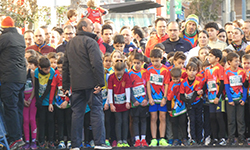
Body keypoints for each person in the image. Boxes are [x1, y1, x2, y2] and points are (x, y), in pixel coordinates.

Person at [62, 18, 111, 150]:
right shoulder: (91, 42)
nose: (93, 27)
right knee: (96, 112)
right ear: (84, 28)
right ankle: (100, 143)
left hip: (76, 85)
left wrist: (65, 86)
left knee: (77, 114)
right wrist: (100, 83)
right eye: (90, 25)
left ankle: (75, 145)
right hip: (91, 85)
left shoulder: (70, 43)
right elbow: (96, 63)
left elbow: (65, 66)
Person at [0, 16, 26, 150]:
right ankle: (19, 136)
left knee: (10, 108)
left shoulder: (3, 38)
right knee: (17, 108)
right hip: (20, 78)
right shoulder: (20, 37)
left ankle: (15, 138)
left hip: (8, 78)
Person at [147, 49, 170, 147]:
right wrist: (150, 97)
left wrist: (164, 98)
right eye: (152, 61)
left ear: (161, 59)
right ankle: (153, 139)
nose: (155, 63)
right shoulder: (149, 70)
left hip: (161, 99)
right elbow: (148, 84)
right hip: (153, 98)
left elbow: (166, 84)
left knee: (162, 117)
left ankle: (162, 138)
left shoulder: (165, 70)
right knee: (153, 118)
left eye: (157, 60)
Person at [204, 49, 227, 146]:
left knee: (219, 117)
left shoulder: (219, 68)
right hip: (210, 96)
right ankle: (214, 137)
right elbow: (206, 82)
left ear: (217, 58)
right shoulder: (207, 69)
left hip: (218, 97)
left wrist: (218, 96)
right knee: (212, 117)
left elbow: (221, 83)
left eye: (211, 56)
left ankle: (222, 137)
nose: (208, 57)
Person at [225, 52, 247, 145]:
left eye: (238, 61)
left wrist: (244, 98)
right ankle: (231, 137)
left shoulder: (242, 71)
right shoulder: (227, 72)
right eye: (235, 61)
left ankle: (241, 137)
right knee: (231, 120)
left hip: (240, 99)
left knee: (240, 119)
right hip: (231, 100)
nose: (238, 63)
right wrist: (230, 99)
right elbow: (226, 86)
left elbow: (245, 86)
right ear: (229, 62)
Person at [49, 57, 72, 149]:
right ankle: (61, 140)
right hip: (58, 103)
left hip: (69, 102)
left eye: (62, 67)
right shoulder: (56, 75)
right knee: (60, 121)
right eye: (58, 67)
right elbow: (53, 88)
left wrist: (67, 101)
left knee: (69, 121)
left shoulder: (70, 75)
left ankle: (70, 140)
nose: (60, 70)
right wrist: (51, 103)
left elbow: (71, 88)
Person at [108, 62, 131, 147]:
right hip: (116, 104)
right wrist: (111, 104)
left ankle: (125, 140)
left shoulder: (126, 76)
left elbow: (128, 89)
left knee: (125, 121)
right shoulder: (111, 77)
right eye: (117, 72)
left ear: (124, 69)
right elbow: (110, 91)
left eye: (121, 72)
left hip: (124, 104)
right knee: (118, 121)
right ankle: (119, 140)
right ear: (114, 70)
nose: (119, 74)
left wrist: (128, 101)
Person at [128, 53, 149, 147]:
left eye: (138, 63)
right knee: (135, 120)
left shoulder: (145, 72)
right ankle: (137, 140)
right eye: (134, 63)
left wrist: (146, 99)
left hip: (144, 102)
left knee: (143, 120)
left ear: (142, 63)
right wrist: (133, 100)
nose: (136, 65)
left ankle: (143, 139)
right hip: (135, 103)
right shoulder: (129, 73)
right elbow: (129, 88)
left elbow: (148, 86)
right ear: (131, 63)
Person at [180, 62, 203, 145]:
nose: (192, 72)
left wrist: (190, 102)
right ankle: (192, 138)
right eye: (190, 70)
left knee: (199, 120)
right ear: (186, 71)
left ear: (197, 71)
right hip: (189, 104)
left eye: (194, 70)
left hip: (197, 102)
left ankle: (199, 138)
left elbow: (196, 93)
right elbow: (181, 95)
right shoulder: (184, 82)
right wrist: (187, 102)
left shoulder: (198, 81)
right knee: (191, 121)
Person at [167, 68, 188, 146]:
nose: (176, 80)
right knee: (174, 124)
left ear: (180, 76)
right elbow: (168, 98)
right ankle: (175, 139)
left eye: (177, 79)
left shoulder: (182, 82)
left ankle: (184, 138)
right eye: (174, 79)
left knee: (183, 123)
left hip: (182, 107)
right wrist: (169, 108)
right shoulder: (171, 85)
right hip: (173, 108)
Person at [22, 59, 37, 150]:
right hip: (24, 99)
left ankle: (34, 140)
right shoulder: (19, 74)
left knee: (32, 119)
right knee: (25, 120)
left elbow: (35, 87)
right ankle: (27, 141)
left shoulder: (31, 73)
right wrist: (23, 100)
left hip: (32, 98)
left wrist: (31, 98)